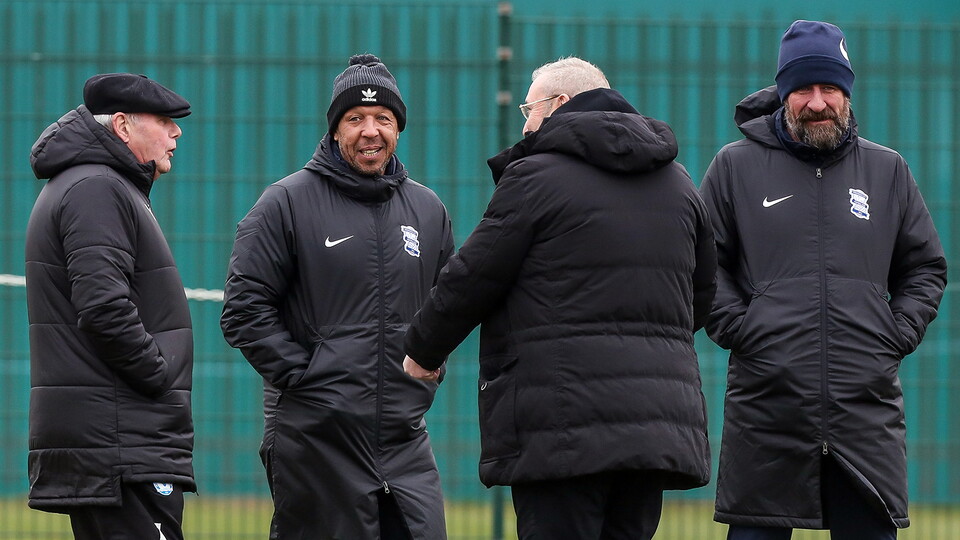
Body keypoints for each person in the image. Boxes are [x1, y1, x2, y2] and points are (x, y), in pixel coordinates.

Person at [403, 57, 717, 540]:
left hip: (561, 425)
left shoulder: (536, 178)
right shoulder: (679, 183)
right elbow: (701, 296)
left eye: (529, 108)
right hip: (653, 426)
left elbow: (472, 277)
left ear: (560, 105)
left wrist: (422, 352)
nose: (526, 123)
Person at [699, 20, 948, 540]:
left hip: (866, 412)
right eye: (804, 90)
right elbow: (701, 263)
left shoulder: (888, 171)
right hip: (766, 410)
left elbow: (925, 267)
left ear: (847, 93)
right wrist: (742, 329)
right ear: (783, 95)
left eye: (830, 88)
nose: (818, 102)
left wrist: (893, 333)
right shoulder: (734, 166)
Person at [220, 54, 453, 540]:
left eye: (383, 119)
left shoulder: (428, 209)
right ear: (334, 129)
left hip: (404, 440)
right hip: (316, 439)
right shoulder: (285, 202)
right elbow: (244, 311)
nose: (370, 131)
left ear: (398, 129)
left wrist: (430, 366)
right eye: (355, 119)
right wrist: (310, 379)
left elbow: (445, 306)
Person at [25, 73, 195, 540]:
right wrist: (158, 373)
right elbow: (103, 307)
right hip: (120, 441)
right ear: (122, 126)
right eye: (164, 121)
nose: (176, 132)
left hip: (121, 438)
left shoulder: (101, 184)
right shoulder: (97, 188)